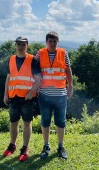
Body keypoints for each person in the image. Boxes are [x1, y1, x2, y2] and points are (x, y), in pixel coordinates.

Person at [36, 31, 73, 160]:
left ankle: (60, 146)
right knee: (45, 121)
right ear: (46, 42)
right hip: (44, 94)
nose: (52, 43)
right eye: (50, 41)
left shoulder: (63, 53)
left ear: (58, 42)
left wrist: (70, 86)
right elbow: (35, 70)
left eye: (54, 41)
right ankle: (46, 146)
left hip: (60, 94)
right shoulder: (40, 53)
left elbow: (68, 70)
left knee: (61, 122)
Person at [3, 36, 41, 162]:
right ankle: (12, 145)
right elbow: (8, 78)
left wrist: (31, 92)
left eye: (23, 44)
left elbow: (38, 79)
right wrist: (5, 94)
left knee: (26, 123)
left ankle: (25, 148)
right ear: (15, 45)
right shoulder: (12, 59)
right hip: (13, 96)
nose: (20, 46)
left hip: (27, 97)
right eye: (18, 44)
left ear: (27, 46)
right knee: (13, 122)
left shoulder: (33, 60)